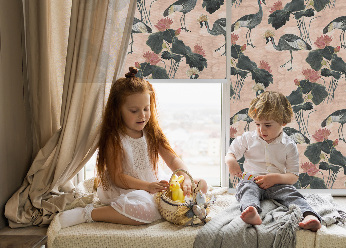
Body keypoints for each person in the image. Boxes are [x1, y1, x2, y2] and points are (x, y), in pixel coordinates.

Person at [59, 67, 207, 228]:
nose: (142, 115)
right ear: (118, 111)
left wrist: (185, 176)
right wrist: (148, 186)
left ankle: (179, 207)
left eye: (146, 109)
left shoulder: (151, 132)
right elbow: (118, 178)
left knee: (201, 184)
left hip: (152, 184)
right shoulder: (114, 138)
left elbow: (172, 159)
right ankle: (88, 214)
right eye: (134, 111)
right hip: (126, 189)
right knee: (146, 210)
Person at [225, 91, 321, 231]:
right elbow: (230, 153)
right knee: (247, 190)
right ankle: (252, 211)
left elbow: (293, 176)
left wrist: (275, 178)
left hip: (278, 184)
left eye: (267, 125)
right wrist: (231, 161)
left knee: (292, 194)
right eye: (257, 124)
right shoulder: (248, 138)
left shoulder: (288, 145)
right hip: (252, 180)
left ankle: (309, 216)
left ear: (283, 122)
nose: (261, 129)